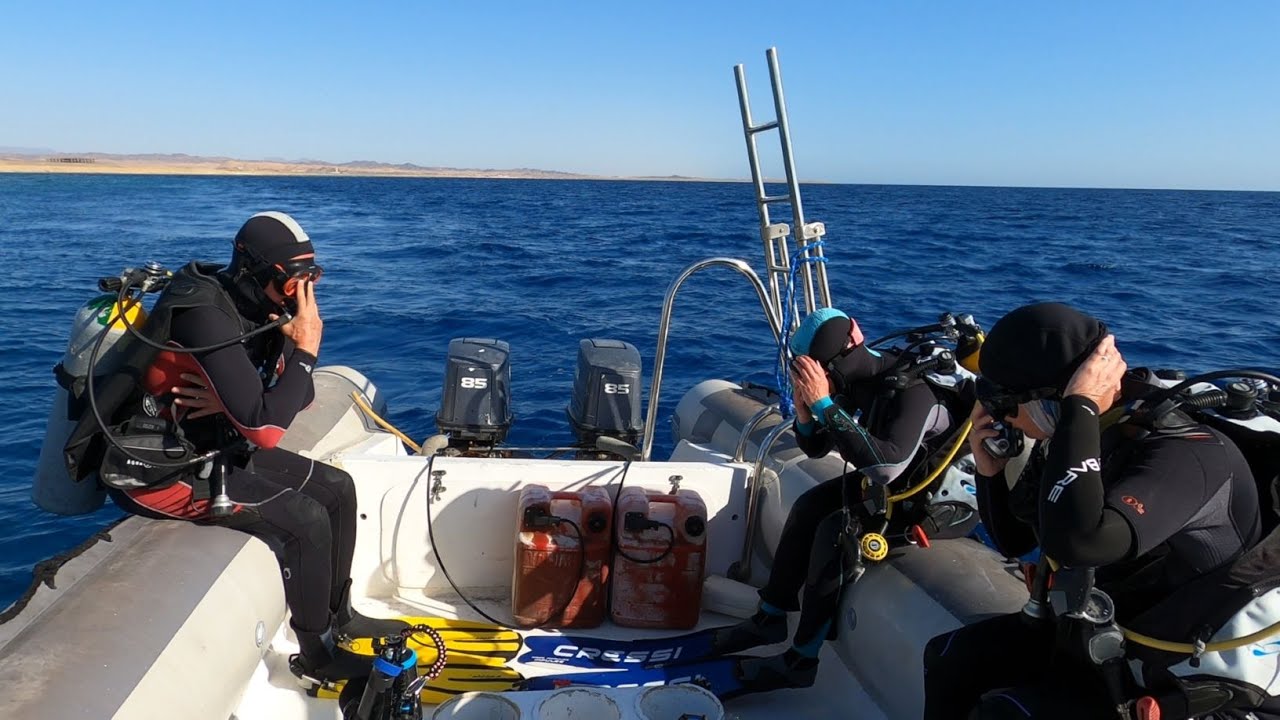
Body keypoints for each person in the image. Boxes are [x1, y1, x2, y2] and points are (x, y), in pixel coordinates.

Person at [922, 302, 1270, 719]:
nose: (1005, 420)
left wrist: (1080, 409)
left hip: (1176, 672)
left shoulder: (1183, 456)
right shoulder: (1082, 434)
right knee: (949, 658)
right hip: (1106, 638)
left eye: (1008, 407)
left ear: (1052, 399)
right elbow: (1018, 539)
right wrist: (989, 472)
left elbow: (1081, 544)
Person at [103, 212, 405, 682]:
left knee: (338, 489)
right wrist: (306, 349)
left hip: (214, 443)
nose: (301, 294)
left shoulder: (256, 304)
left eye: (311, 279)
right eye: (292, 283)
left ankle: (339, 618)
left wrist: (284, 347)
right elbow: (266, 428)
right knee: (305, 521)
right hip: (160, 468)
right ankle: (317, 654)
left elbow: (297, 400)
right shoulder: (206, 314)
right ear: (255, 269)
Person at [715, 307, 975, 691]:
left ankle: (800, 660)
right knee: (810, 506)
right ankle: (770, 617)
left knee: (835, 531)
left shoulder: (913, 392)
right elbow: (817, 447)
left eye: (816, 371)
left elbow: (886, 465)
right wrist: (807, 412)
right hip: (895, 487)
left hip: (936, 501)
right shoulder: (849, 382)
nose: (817, 380)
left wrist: (823, 403)